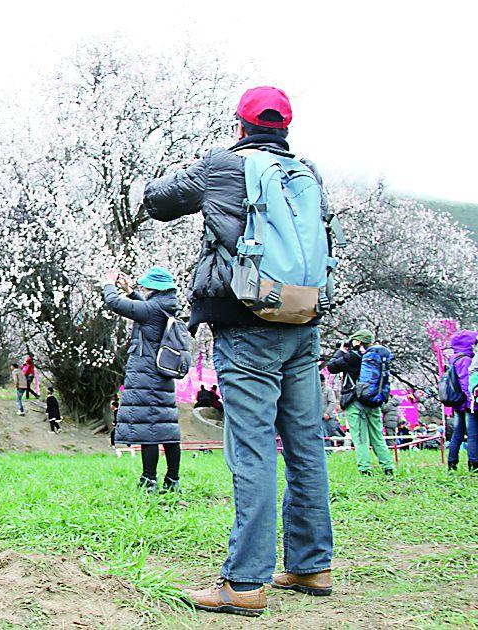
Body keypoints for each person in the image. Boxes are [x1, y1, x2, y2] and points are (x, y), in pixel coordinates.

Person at [143, 86, 333, 614]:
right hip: (302, 319)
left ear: (241, 124)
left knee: (252, 451)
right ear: (285, 127)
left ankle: (245, 582)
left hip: (246, 325)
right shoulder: (306, 173)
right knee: (305, 444)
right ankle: (311, 565)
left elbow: (158, 201)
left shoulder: (223, 165)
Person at [102, 266, 181, 494]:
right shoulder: (166, 306)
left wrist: (109, 283)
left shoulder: (151, 309)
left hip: (147, 374)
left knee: (150, 429)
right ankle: (172, 480)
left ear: (155, 288)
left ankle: (149, 480)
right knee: (167, 428)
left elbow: (113, 302)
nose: (144, 289)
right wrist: (131, 291)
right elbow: (146, 309)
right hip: (162, 374)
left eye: (147, 287)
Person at [327, 329, 395, 476]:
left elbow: (331, 367)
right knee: (378, 436)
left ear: (358, 341)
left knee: (360, 438)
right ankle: (388, 467)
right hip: (373, 401)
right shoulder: (376, 357)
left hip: (354, 402)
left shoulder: (352, 356)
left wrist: (341, 351)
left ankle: (365, 469)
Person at [448, 330, 478, 471]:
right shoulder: (465, 360)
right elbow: (467, 383)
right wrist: (472, 400)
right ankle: (474, 463)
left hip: (457, 402)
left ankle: (452, 462)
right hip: (466, 403)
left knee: (457, 434)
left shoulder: (454, 358)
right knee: (473, 435)